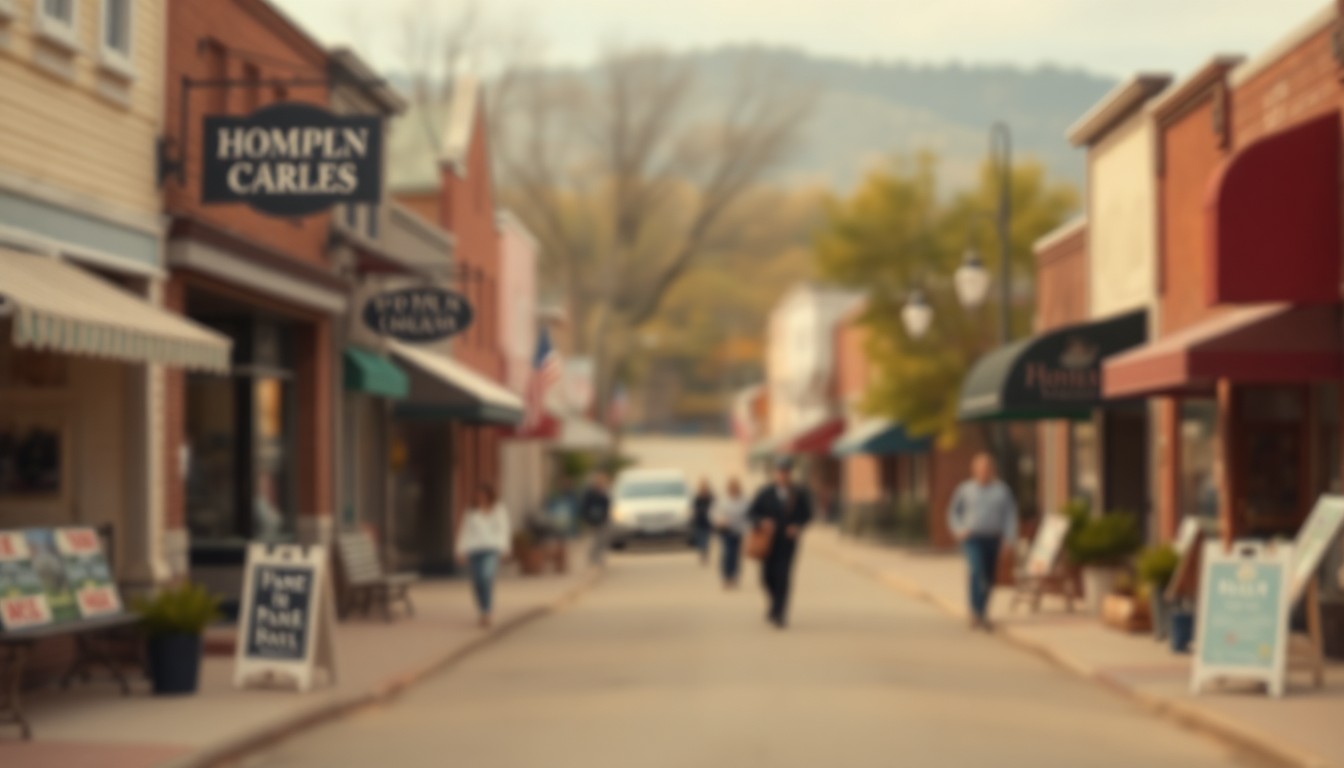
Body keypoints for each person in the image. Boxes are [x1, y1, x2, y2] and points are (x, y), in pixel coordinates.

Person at [947, 452, 1019, 631]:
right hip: (973, 538)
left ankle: (983, 611)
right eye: (980, 468)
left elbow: (1010, 515)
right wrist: (958, 529)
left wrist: (1009, 539)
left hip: (993, 538)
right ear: (974, 470)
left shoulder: (1002, 490)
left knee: (989, 576)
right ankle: (975, 611)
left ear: (992, 470)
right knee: (976, 571)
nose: (984, 471)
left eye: (987, 468)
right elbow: (953, 512)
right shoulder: (965, 489)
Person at [747, 458, 813, 628]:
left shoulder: (798, 493)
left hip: (787, 543)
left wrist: (797, 526)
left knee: (783, 577)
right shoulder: (765, 492)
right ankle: (774, 603)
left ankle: (780, 613)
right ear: (775, 473)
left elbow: (807, 515)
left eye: (786, 472)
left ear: (790, 474)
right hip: (768, 542)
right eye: (780, 471)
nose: (783, 475)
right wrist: (762, 522)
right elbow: (751, 513)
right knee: (766, 577)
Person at [456, 483, 512, 628]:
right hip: (474, 549)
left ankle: (487, 611)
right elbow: (464, 530)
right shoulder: (471, 511)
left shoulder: (498, 509)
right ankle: (482, 610)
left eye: (482, 494)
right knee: (477, 581)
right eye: (478, 494)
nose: (480, 497)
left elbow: (504, 529)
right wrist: (460, 550)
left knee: (486, 577)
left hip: (491, 548)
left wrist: (505, 548)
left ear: (489, 495)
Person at [713, 477, 751, 588]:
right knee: (727, 553)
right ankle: (726, 577)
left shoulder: (744, 500)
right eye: (732, 488)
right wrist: (719, 519)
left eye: (735, 488)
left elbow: (749, 515)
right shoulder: (723, 500)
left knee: (736, 555)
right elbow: (714, 512)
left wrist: (747, 527)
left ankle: (734, 576)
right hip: (726, 530)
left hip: (739, 531)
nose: (733, 490)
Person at [580, 472, 613, 567]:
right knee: (593, 541)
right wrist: (586, 518)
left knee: (601, 540)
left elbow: (607, 506)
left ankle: (599, 559)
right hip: (591, 520)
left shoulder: (604, 493)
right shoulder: (589, 494)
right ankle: (592, 559)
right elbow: (585, 507)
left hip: (602, 520)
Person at [691, 478, 715, 566]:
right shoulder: (697, 497)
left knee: (706, 540)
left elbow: (715, 507)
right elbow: (694, 508)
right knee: (700, 539)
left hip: (708, 522)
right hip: (699, 521)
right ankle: (702, 554)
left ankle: (705, 555)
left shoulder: (711, 497)